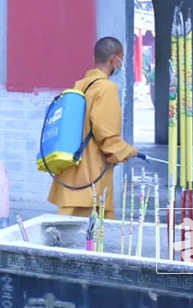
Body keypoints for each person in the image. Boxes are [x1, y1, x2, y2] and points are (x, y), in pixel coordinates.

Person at [47, 37, 139, 220]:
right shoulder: (106, 88)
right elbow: (107, 135)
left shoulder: (81, 85)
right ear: (114, 59)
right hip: (91, 179)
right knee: (92, 237)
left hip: (72, 170)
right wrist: (128, 151)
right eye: (121, 57)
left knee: (67, 226)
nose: (121, 62)